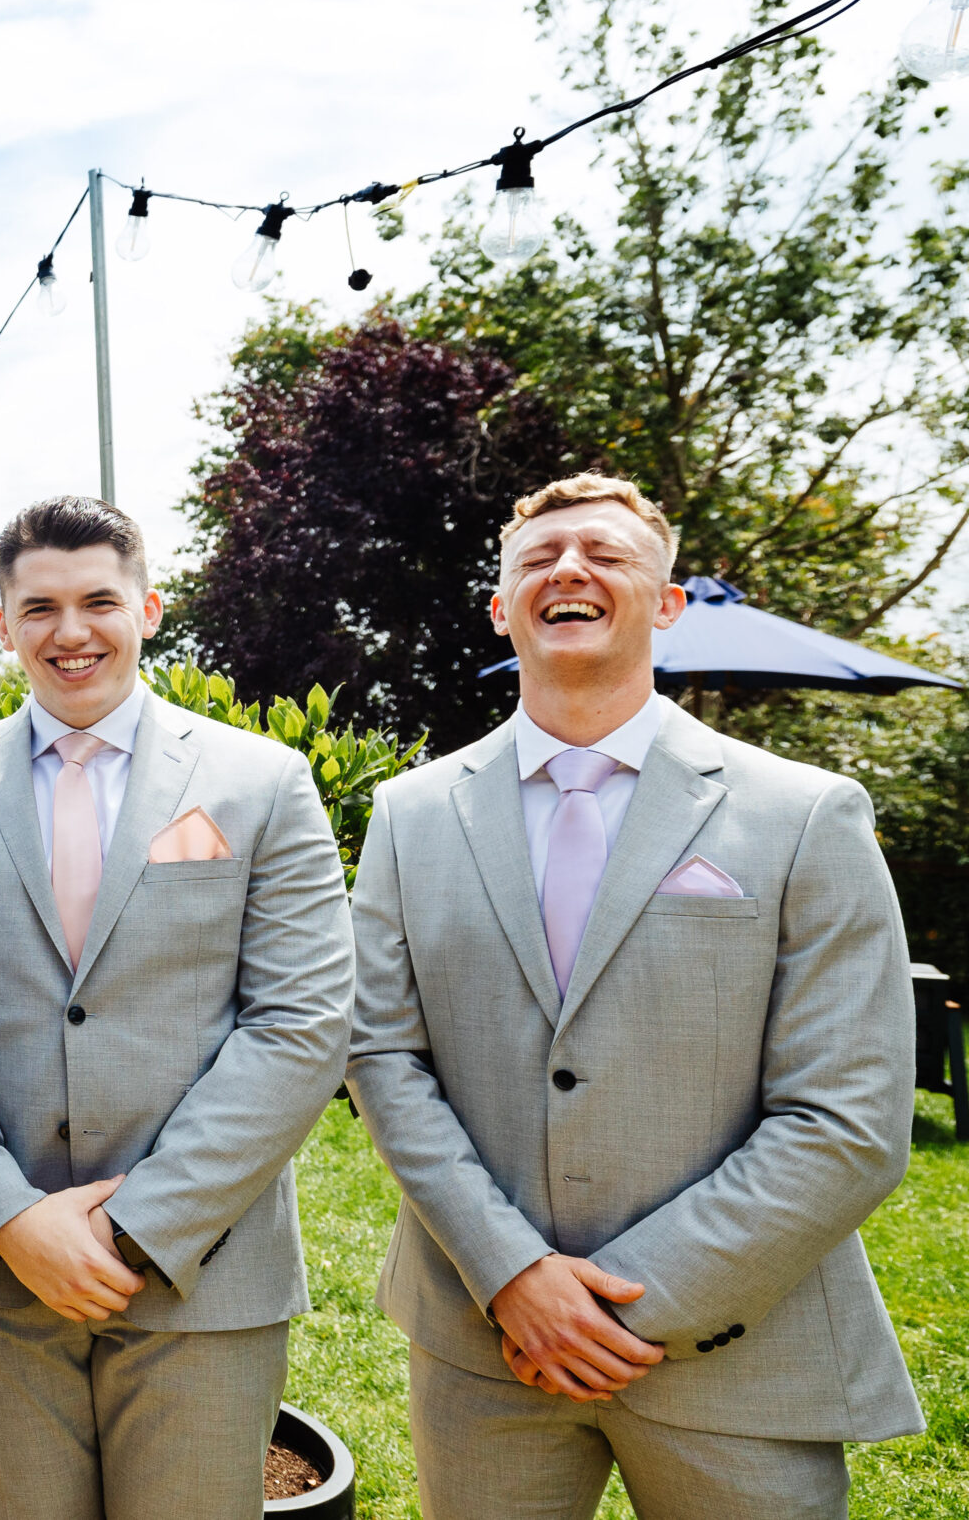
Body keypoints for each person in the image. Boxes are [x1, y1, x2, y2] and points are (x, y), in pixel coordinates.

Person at [347, 473, 923, 1520]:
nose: (567, 570)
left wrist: (615, 1308)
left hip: (738, 1354)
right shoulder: (409, 814)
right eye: (538, 559)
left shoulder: (805, 817)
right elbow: (383, 1056)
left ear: (666, 604)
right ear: (500, 607)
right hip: (484, 1352)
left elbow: (848, 1119)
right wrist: (513, 1277)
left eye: (605, 555)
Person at [0, 494, 353, 1520]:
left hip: (203, 1269)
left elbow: (304, 1021)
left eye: (98, 600)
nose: (71, 631)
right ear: (2, 624)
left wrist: (141, 1225)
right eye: (40, 607)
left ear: (147, 609)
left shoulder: (262, 783)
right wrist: (10, 1221)